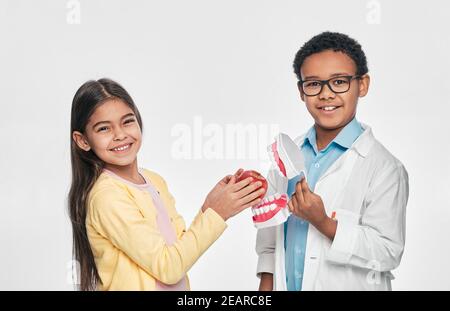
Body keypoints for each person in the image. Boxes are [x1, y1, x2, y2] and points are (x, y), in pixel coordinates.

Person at [68, 78, 265, 290]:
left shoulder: (154, 180)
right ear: (83, 141)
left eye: (127, 121)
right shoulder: (107, 196)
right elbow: (168, 268)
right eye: (104, 129)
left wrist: (208, 208)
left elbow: (180, 250)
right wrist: (218, 214)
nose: (120, 135)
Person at [256, 32, 409, 291]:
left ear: (363, 85)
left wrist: (324, 223)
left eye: (339, 82)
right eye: (314, 84)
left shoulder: (385, 168)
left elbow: (387, 251)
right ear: (301, 91)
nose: (326, 94)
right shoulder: (287, 156)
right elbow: (270, 239)